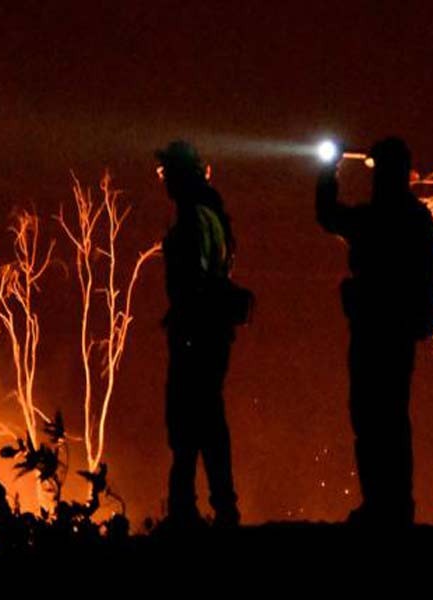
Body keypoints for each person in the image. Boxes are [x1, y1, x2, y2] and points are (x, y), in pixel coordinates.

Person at [316, 136, 433, 528]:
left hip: (376, 330)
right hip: (396, 332)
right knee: (388, 417)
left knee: (373, 418)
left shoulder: (374, 219)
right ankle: (393, 506)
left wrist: (329, 171)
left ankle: (382, 506)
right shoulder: (416, 218)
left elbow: (328, 215)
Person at [156, 140, 241, 529]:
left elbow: (193, 280)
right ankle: (217, 506)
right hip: (212, 330)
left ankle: (187, 510)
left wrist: (185, 320)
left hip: (197, 332)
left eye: (166, 173)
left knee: (188, 418)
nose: (163, 181)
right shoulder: (212, 214)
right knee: (207, 418)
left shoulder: (193, 218)